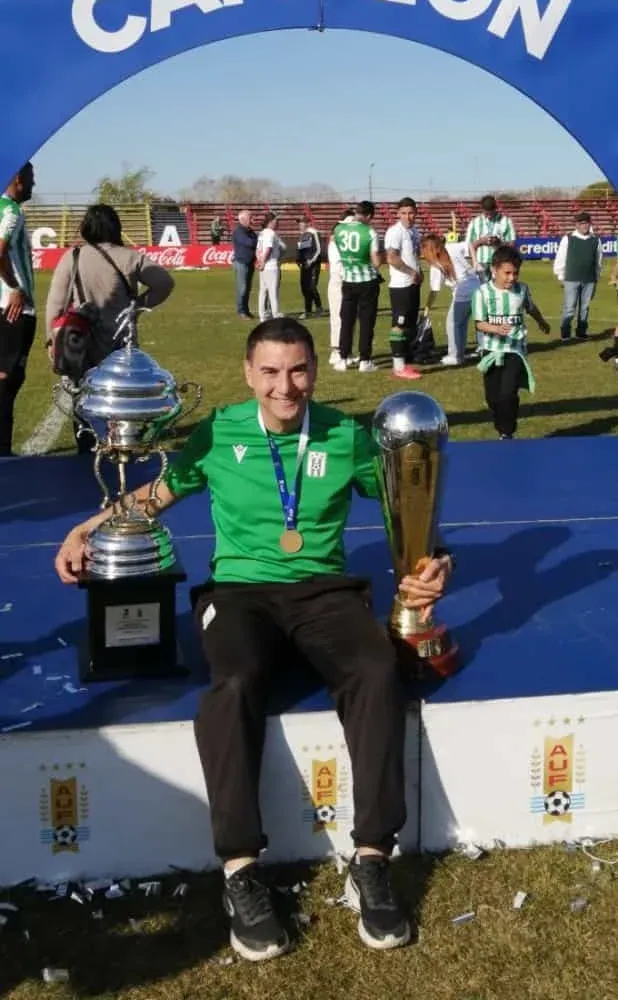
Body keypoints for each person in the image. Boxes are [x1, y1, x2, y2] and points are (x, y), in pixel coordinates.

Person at [54, 317, 453, 961]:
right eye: (269, 372)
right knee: (233, 684)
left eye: (297, 370)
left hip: (325, 593)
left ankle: (373, 858)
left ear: (314, 371)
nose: (284, 386)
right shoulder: (218, 432)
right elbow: (156, 495)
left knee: (376, 672)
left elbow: (406, 510)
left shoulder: (346, 434)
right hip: (239, 595)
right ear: (247, 374)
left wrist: (433, 563)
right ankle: (240, 869)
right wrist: (86, 528)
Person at [45, 204, 174, 451]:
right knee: (121, 399)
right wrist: (137, 306)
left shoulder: (73, 256)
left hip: (82, 342)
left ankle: (87, 450)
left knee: (83, 396)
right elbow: (164, 282)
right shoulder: (129, 257)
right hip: (121, 342)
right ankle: (121, 448)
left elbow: (56, 303)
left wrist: (52, 339)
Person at [473, 245, 550, 439]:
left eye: (515, 273)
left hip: (515, 350)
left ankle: (507, 433)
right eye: (507, 273)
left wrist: (541, 322)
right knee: (493, 398)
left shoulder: (522, 290)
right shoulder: (482, 293)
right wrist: (495, 329)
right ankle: (503, 424)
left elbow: (531, 307)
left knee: (507, 394)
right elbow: (479, 323)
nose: (512, 278)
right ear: (494, 270)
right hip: (490, 351)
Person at [0, 161, 36, 456]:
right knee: (6, 378)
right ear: (18, 178)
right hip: (12, 309)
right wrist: (14, 287)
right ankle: (2, 450)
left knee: (11, 376)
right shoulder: (11, 211)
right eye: (31, 177)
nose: (34, 184)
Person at [332, 201, 382, 374]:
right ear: (368, 216)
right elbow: (376, 262)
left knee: (347, 321)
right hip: (367, 280)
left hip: (348, 279)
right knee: (366, 322)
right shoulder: (369, 232)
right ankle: (365, 360)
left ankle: (343, 357)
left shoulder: (339, 229)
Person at [421, 234, 480, 367]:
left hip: (463, 294)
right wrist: (475, 262)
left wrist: (427, 309)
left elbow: (434, 290)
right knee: (462, 324)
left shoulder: (436, 265)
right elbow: (470, 244)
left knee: (452, 324)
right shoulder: (452, 248)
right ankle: (461, 353)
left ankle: (455, 356)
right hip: (477, 288)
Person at [384, 197, 422, 380]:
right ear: (398, 214)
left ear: (416, 213)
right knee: (399, 324)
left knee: (409, 324)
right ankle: (398, 366)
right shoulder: (395, 232)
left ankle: (405, 359)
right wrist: (411, 272)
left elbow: (414, 256)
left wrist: (418, 272)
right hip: (401, 285)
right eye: (404, 213)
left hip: (413, 284)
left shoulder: (414, 232)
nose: (408, 216)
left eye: (411, 213)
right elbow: (391, 257)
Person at [553, 211, 603, 341]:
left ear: (590, 224)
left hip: (589, 279)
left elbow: (598, 261)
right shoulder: (568, 238)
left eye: (586, 223)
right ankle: (565, 333)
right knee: (570, 308)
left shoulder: (596, 240)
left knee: (585, 308)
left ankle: (581, 332)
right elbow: (561, 258)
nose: (584, 226)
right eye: (581, 223)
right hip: (571, 278)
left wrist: (597, 278)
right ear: (576, 225)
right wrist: (560, 276)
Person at [326, 209, 354, 367]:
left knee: (349, 317)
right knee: (338, 316)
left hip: (348, 281)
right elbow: (339, 265)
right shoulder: (336, 242)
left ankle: (347, 351)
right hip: (339, 282)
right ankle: (336, 351)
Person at [466, 195, 516, 283]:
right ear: (482, 209)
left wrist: (499, 243)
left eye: (491, 213)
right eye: (486, 213)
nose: (489, 216)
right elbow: (468, 246)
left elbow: (512, 244)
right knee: (483, 288)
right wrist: (481, 241)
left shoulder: (506, 221)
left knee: (500, 288)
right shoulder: (474, 223)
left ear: (495, 208)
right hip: (481, 263)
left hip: (500, 262)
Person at [256, 214, 286, 322]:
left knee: (263, 291)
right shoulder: (271, 233)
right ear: (271, 222)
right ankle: (275, 314)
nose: (277, 223)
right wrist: (263, 261)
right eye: (276, 221)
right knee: (273, 292)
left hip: (264, 266)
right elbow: (268, 248)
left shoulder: (261, 233)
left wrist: (260, 261)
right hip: (271, 265)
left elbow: (258, 250)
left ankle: (262, 316)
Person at [231, 209, 258, 319]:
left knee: (247, 288)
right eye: (250, 218)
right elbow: (249, 243)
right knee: (242, 288)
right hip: (241, 262)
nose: (252, 220)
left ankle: (246, 310)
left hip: (250, 262)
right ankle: (241, 311)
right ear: (243, 219)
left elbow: (254, 241)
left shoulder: (250, 231)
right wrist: (258, 241)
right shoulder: (239, 231)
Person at [295, 218, 322, 318]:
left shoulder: (314, 233)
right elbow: (300, 249)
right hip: (304, 265)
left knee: (312, 287)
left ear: (307, 224)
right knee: (304, 288)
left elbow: (318, 250)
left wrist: (310, 261)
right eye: (299, 223)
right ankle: (308, 310)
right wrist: (298, 259)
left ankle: (318, 307)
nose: (300, 225)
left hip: (313, 265)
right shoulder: (302, 235)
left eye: (301, 223)